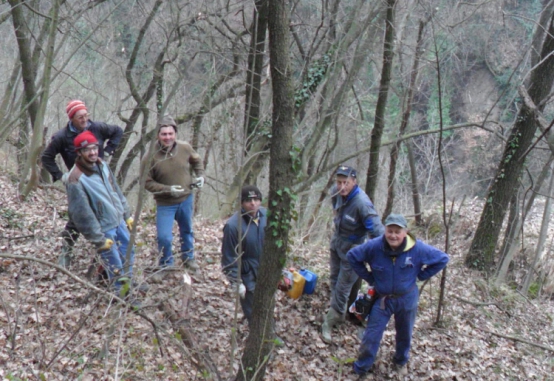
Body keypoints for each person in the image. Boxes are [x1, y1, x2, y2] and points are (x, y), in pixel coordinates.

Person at [347, 213, 449, 377]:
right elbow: (352, 256)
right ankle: (361, 368)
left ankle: (400, 361)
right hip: (382, 299)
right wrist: (369, 277)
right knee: (371, 335)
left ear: (405, 232)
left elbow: (442, 258)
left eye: (397, 231)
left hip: (407, 299)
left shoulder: (417, 248)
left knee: (404, 333)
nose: (393, 235)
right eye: (390, 231)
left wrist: (422, 275)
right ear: (385, 230)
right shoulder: (374, 246)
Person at [41, 100, 123, 268]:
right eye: (80, 117)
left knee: (107, 211)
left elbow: (118, 131)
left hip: (99, 180)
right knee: (76, 217)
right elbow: (46, 157)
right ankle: (66, 250)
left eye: (86, 115)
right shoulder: (61, 137)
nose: (85, 119)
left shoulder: (97, 127)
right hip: (78, 183)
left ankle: (110, 254)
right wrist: (60, 176)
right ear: (72, 119)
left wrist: (108, 151)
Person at [65, 131, 143, 305]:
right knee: (114, 262)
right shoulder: (75, 179)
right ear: (79, 152)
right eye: (87, 150)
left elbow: (116, 190)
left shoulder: (102, 165)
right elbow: (81, 214)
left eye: (94, 148)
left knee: (128, 253)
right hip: (103, 227)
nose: (92, 152)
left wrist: (127, 215)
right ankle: (122, 295)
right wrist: (98, 239)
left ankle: (127, 283)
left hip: (118, 220)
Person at [321, 165, 385, 343]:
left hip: (354, 248)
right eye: (339, 182)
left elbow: (377, 231)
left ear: (354, 182)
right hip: (337, 240)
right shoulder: (336, 192)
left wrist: (380, 252)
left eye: (346, 183)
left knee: (342, 286)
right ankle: (348, 309)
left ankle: (333, 318)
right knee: (335, 278)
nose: (342, 186)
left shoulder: (362, 204)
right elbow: (336, 210)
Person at [144, 115, 205, 270]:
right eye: (164, 134)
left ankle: (188, 257)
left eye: (170, 134)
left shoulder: (185, 147)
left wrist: (200, 175)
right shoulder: (150, 156)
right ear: (158, 135)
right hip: (165, 203)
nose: (168, 137)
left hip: (186, 199)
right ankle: (166, 263)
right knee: (164, 237)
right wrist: (167, 189)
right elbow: (146, 182)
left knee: (187, 230)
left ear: (175, 134)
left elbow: (196, 160)